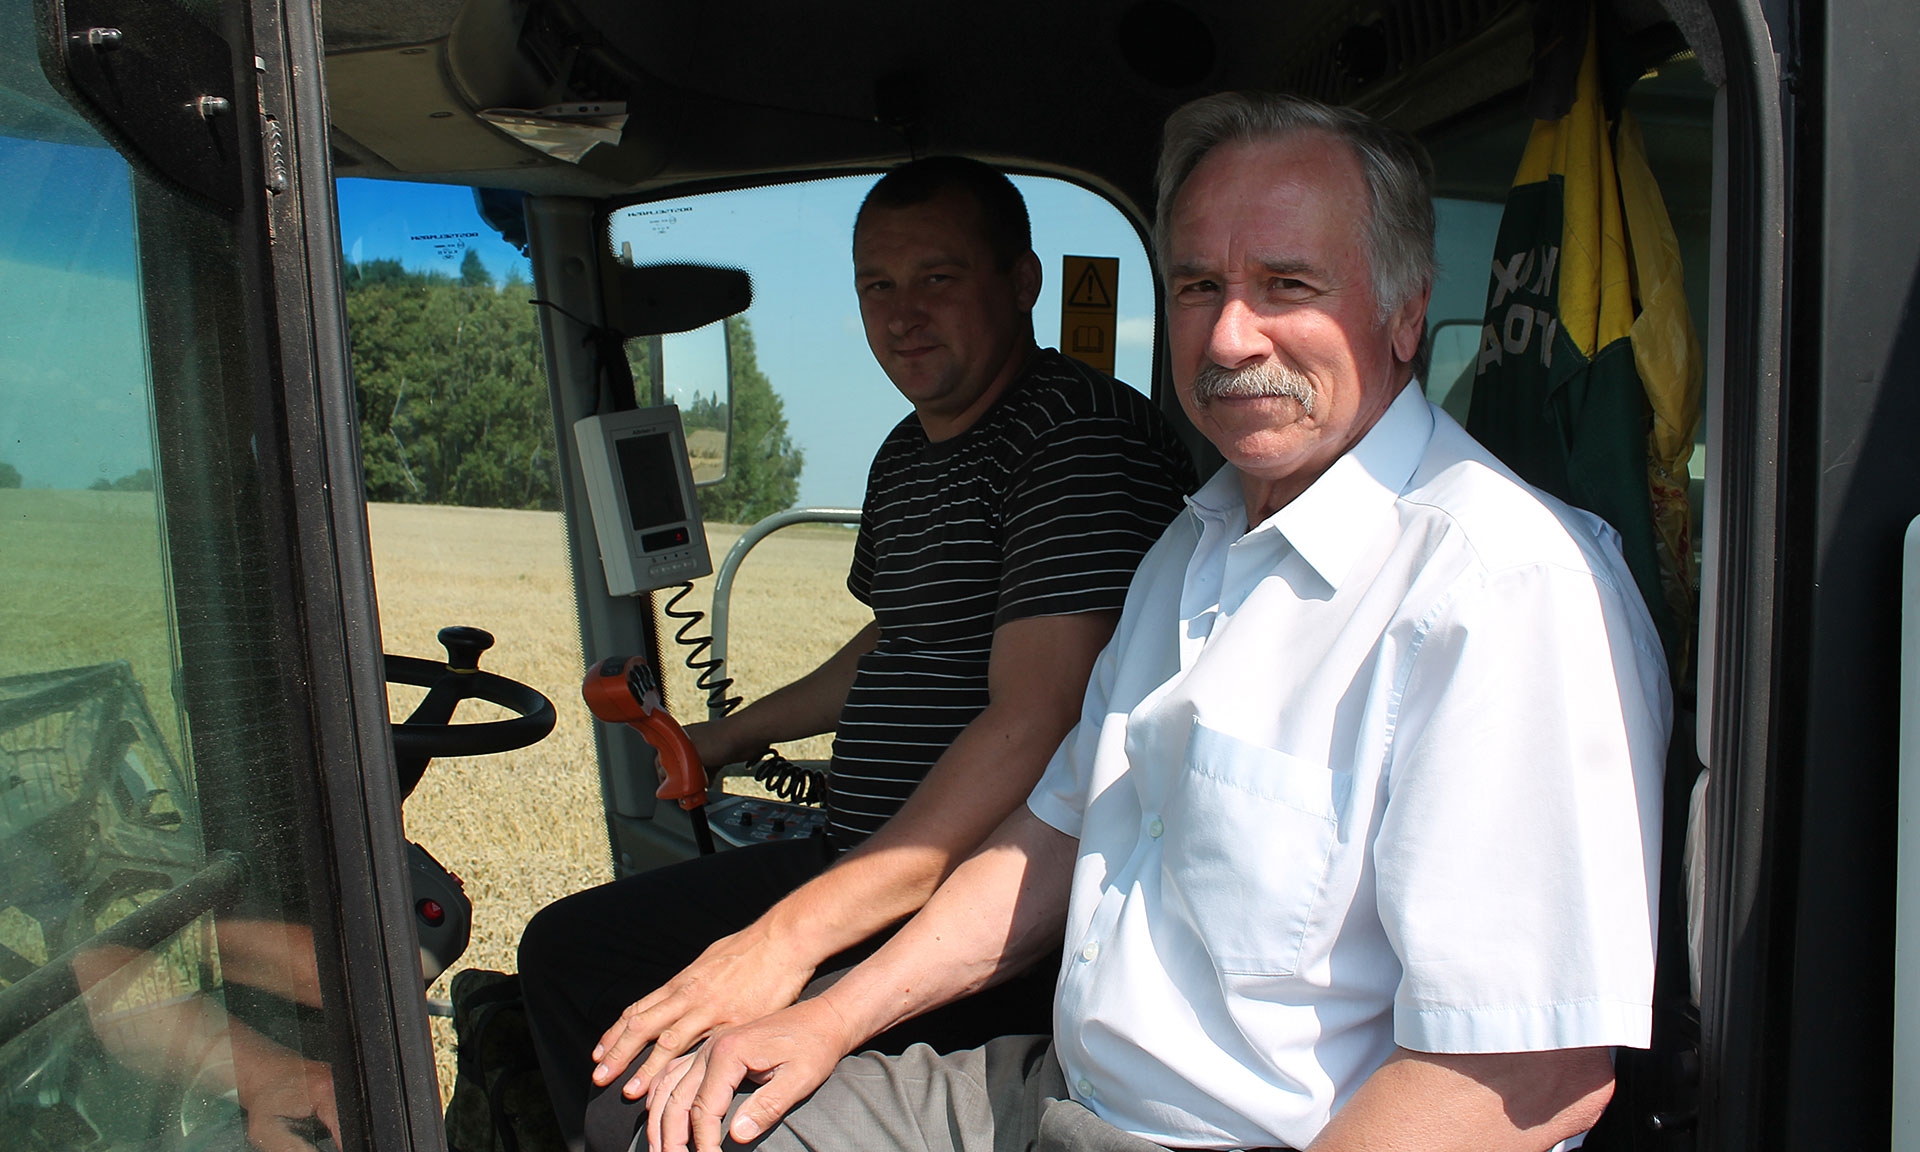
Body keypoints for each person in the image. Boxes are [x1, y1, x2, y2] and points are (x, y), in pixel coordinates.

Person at [638, 92, 1671, 1152]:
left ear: (1406, 312)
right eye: (1197, 286)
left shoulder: (1500, 591)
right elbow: (1057, 829)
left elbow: (1526, 1075)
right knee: (679, 1123)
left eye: (1287, 285)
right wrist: (826, 1016)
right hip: (1056, 1092)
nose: (1229, 334)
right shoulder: (1193, 544)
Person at [517, 156, 1196, 1151]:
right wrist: (725, 736)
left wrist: (786, 939)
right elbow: (896, 637)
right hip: (857, 857)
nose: (901, 314)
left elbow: (1038, 720)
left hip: (978, 900)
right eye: (876, 286)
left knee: (657, 1111)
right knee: (571, 951)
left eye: (937, 278)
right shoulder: (908, 452)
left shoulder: (1078, 439)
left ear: (1021, 282)